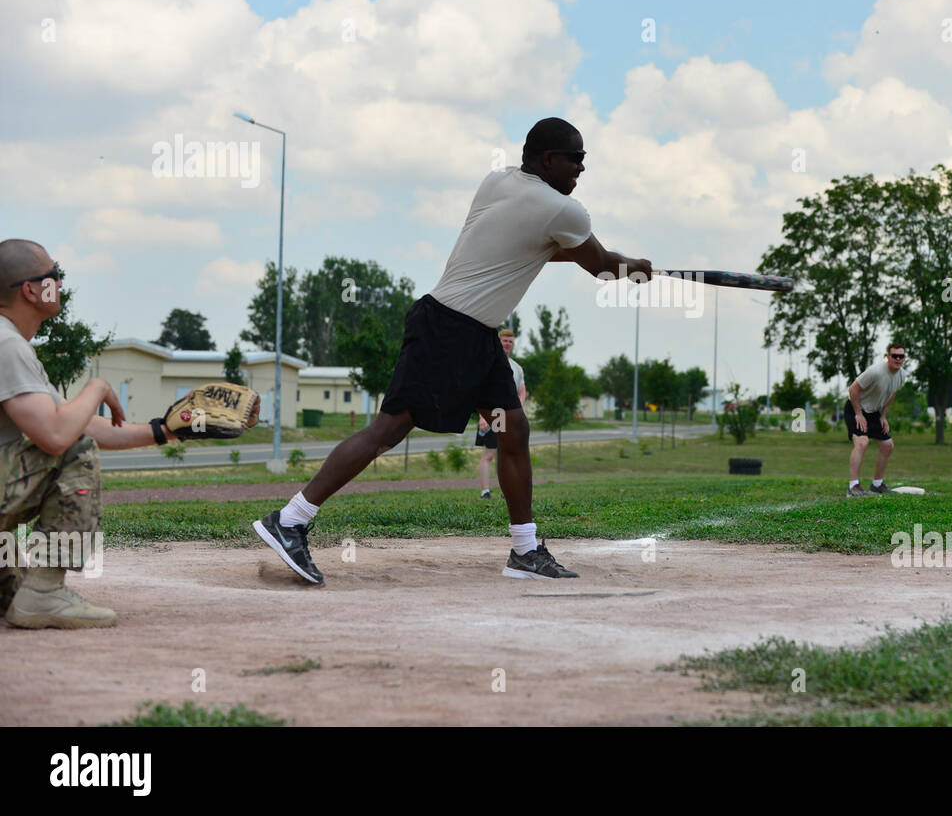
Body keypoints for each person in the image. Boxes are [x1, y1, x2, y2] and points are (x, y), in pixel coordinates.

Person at [254, 118, 652, 583]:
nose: (582, 169)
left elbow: (537, 247)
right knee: (389, 431)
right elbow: (599, 265)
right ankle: (291, 519)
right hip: (447, 334)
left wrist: (619, 262)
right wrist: (634, 267)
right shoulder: (563, 210)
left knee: (512, 428)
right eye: (576, 159)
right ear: (549, 159)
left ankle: (525, 550)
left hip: (476, 339)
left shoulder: (499, 181)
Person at [0, 239, 181, 629]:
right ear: (31, 289)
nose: (60, 283)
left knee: (10, 596)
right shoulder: (6, 345)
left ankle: (30, 593)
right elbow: (57, 436)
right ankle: (46, 591)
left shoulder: (9, 343)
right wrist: (96, 387)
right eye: (54, 275)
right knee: (73, 450)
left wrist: (165, 431)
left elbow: (76, 421)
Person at [844, 343, 907, 496]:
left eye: (901, 356)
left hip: (874, 412)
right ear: (888, 357)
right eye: (894, 356)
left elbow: (892, 394)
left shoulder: (902, 375)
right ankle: (853, 486)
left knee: (888, 445)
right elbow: (853, 389)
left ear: (904, 358)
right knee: (862, 442)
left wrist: (883, 416)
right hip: (855, 408)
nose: (898, 359)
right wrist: (858, 414)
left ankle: (877, 485)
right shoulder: (876, 371)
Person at [476, 328, 526, 499]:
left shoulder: (517, 368)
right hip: (495, 413)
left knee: (507, 453)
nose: (507, 343)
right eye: (505, 340)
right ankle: (485, 491)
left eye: (510, 341)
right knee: (490, 453)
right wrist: (483, 416)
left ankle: (507, 489)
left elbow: (522, 392)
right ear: (499, 341)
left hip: (509, 415)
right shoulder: (490, 363)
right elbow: (481, 391)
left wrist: (518, 413)